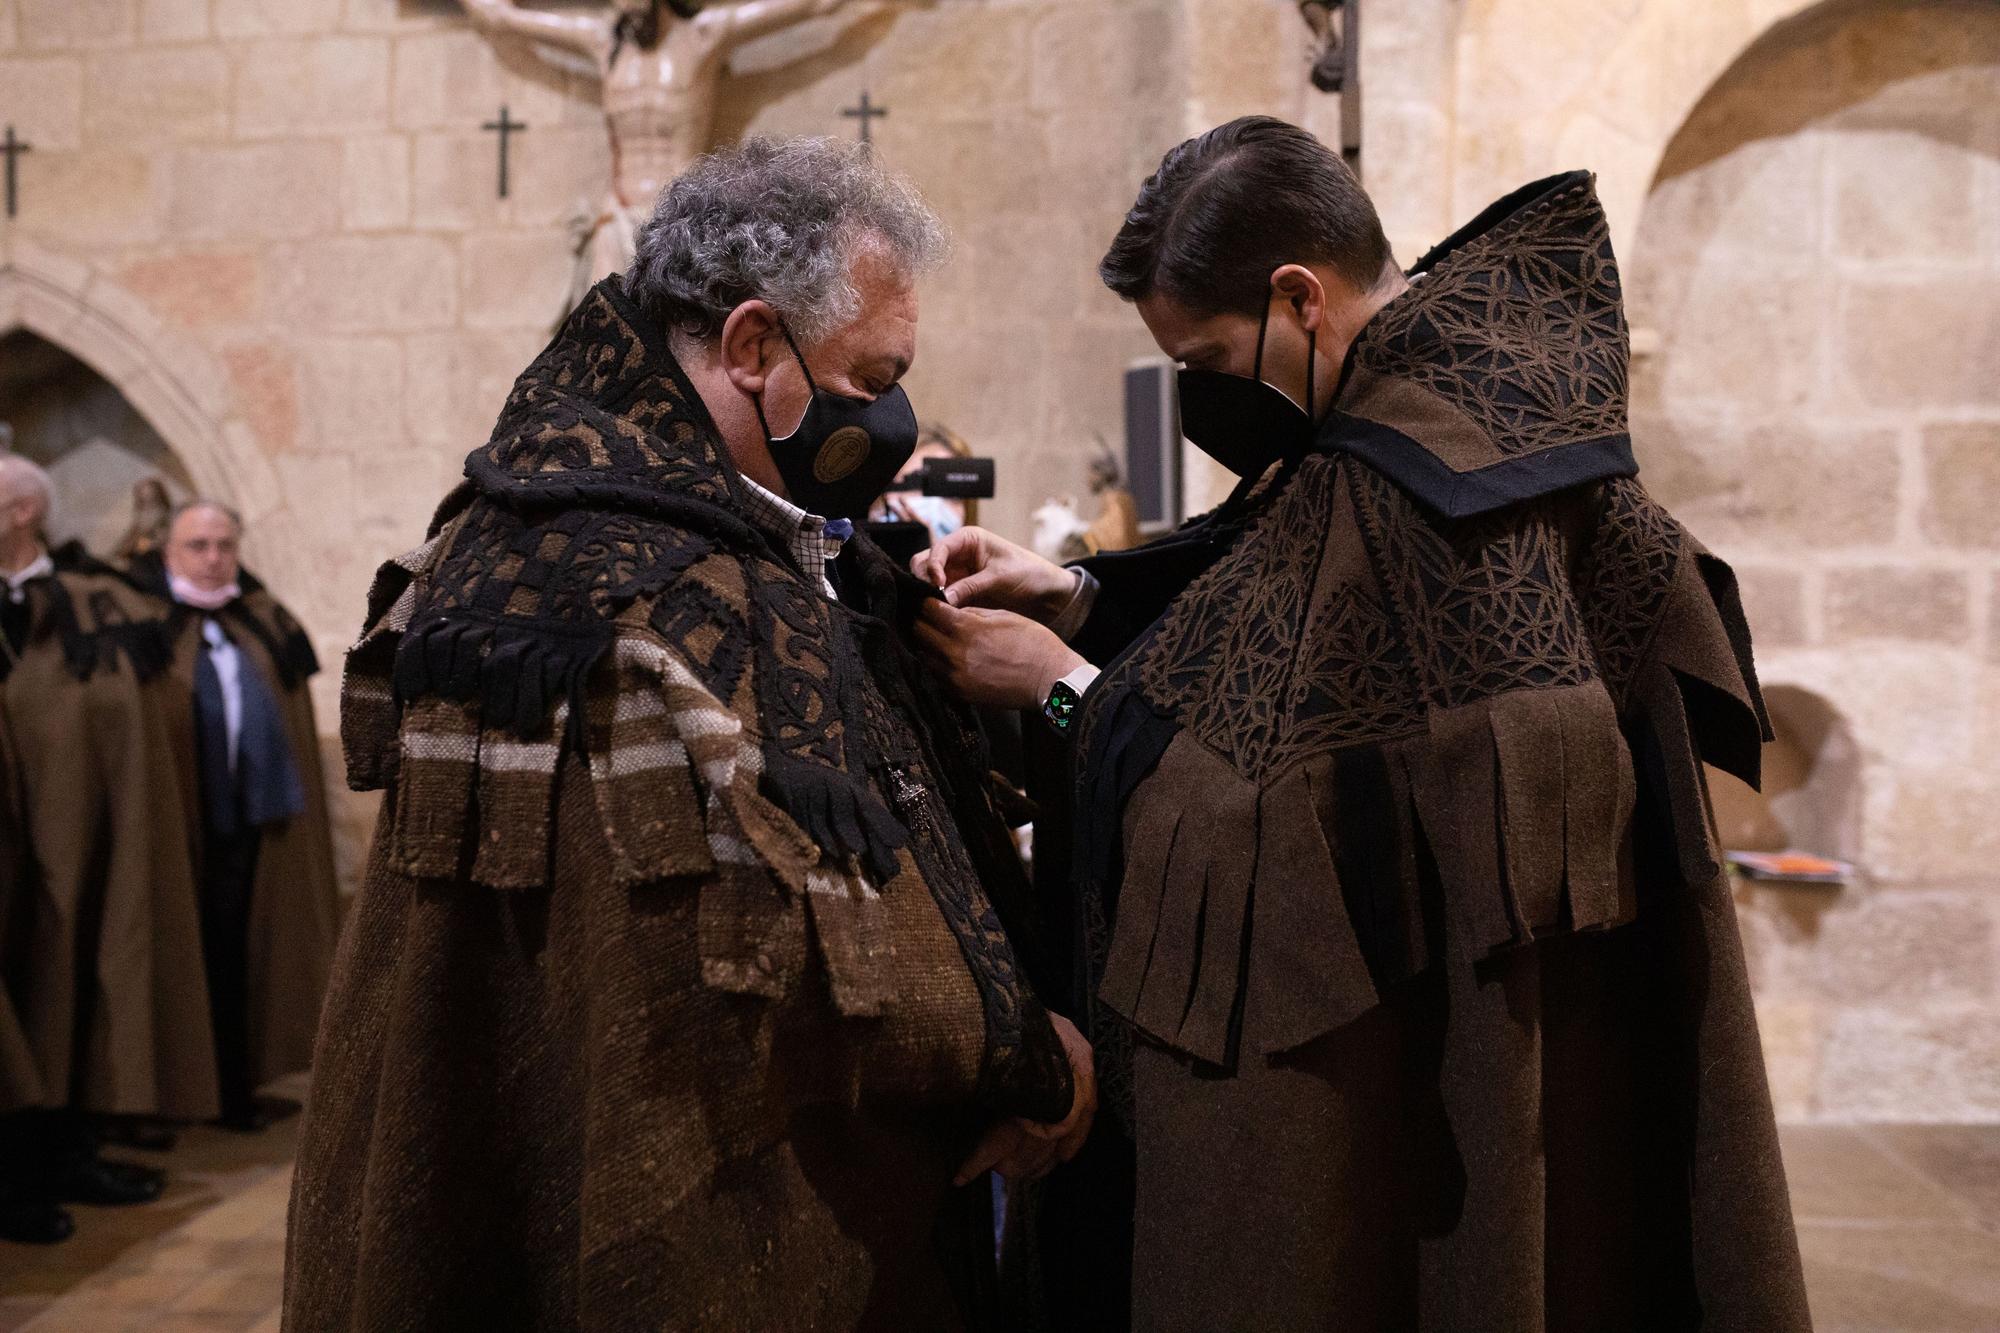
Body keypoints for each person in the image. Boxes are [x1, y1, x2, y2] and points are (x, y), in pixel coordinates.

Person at [914, 117, 1811, 1331]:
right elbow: (1268, 632)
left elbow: (1260, 816)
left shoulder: (1419, 492)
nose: (1201, 394)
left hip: (1434, 1084)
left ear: (1299, 296)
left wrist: (1059, 687)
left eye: (1211, 356)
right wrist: (1079, 595)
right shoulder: (1446, 406)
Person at [284, 136, 1092, 1332]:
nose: (886, 418)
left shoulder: (717, 527)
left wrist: (1063, 637)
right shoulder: (616, 588)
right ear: (756, 345)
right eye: (869, 381)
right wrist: (1024, 1054)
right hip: (717, 1194)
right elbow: (784, 956)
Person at [0, 456, 215, 1244]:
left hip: (68, 833)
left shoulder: (97, 602)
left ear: (23, 510)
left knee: (72, 978)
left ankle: (65, 1153)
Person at [120, 501, 340, 1133]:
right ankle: (179, 1095)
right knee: (183, 952)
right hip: (179, 829)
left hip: (254, 825)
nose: (213, 557)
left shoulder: (263, 622)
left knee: (250, 954)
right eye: (198, 545)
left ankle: (239, 1087)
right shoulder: (146, 627)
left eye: (223, 545)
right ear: (168, 552)